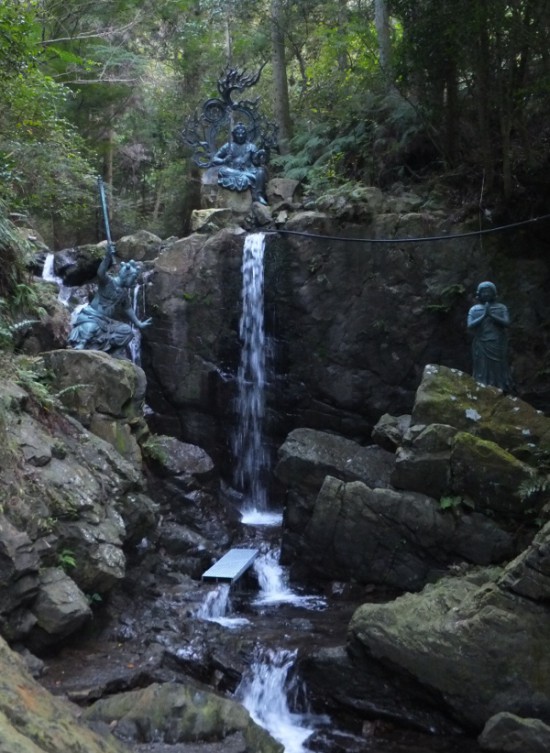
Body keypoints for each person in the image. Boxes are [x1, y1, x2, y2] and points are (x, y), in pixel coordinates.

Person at [68, 245, 151, 358]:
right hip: (92, 316)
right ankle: (82, 343)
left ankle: (114, 352)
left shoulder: (123, 294)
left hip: (107, 322)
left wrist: (138, 323)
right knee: (90, 327)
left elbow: (128, 308)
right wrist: (107, 258)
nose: (134, 282)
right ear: (126, 275)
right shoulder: (108, 282)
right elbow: (101, 273)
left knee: (128, 331)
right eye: (133, 278)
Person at [467, 281, 512, 391]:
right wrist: (483, 315)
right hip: (481, 343)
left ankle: (500, 387)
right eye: (483, 292)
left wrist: (492, 315)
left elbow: (507, 323)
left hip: (497, 342)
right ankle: (482, 387)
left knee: (499, 366)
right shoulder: (474, 309)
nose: (486, 294)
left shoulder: (501, 308)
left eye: (489, 292)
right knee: (481, 367)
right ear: (479, 294)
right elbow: (470, 325)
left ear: (494, 293)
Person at [211, 122, 268, 204]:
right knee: (222, 170)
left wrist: (260, 154)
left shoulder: (251, 146)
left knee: (261, 171)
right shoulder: (228, 146)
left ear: (246, 134)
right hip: (233, 170)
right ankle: (249, 177)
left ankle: (258, 195)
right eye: (238, 134)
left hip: (248, 170)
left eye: (243, 134)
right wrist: (224, 160)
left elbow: (256, 162)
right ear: (234, 135)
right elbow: (214, 159)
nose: (240, 136)